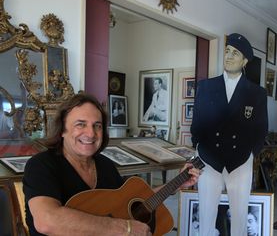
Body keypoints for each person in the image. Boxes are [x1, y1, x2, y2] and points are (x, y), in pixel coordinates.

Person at [22, 93, 200, 236]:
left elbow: (133, 205)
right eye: (80, 124)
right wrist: (125, 229)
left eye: (97, 126)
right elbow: (47, 221)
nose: (90, 133)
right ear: (62, 130)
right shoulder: (41, 165)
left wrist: (175, 184)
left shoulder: (105, 165)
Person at [191, 33, 268, 236]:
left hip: (240, 162)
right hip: (209, 160)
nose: (229, 56)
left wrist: (251, 154)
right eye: (227, 51)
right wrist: (197, 148)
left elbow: (261, 130)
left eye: (235, 53)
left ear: (244, 61)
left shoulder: (256, 93)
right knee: (206, 216)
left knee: (240, 218)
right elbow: (197, 122)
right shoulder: (206, 87)